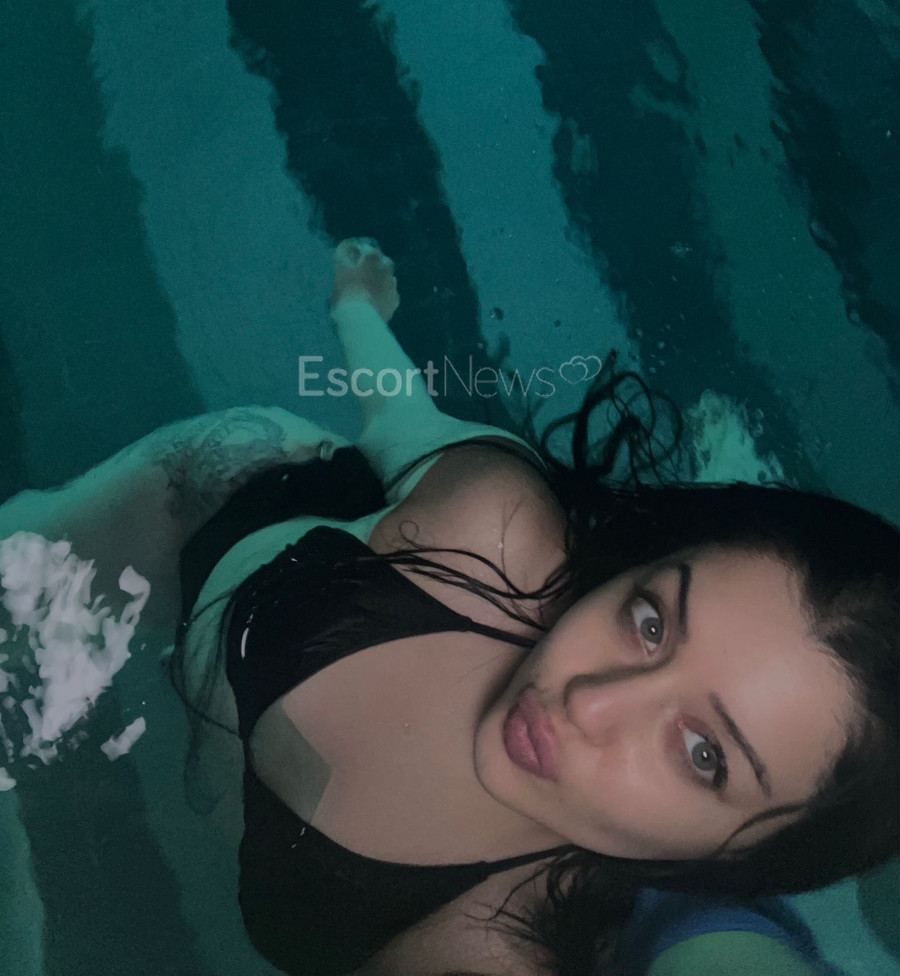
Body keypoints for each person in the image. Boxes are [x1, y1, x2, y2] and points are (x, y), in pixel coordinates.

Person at [3, 240, 896, 976]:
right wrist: (356, 309)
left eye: (703, 754)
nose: (590, 701)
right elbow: (402, 424)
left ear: (736, 863)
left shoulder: (484, 940)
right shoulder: (493, 530)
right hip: (204, 507)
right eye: (651, 621)